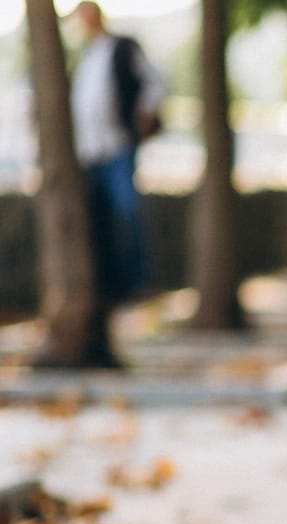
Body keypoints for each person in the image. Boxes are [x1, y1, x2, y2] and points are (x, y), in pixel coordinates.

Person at [69, 1, 165, 305]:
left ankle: (140, 281)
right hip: (90, 151)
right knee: (99, 217)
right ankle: (111, 284)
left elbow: (155, 82)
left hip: (118, 144)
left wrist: (144, 112)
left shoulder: (122, 48)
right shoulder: (83, 58)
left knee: (127, 209)